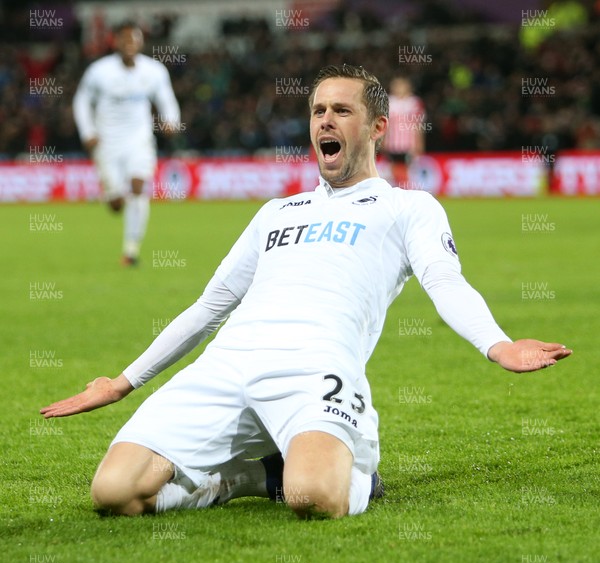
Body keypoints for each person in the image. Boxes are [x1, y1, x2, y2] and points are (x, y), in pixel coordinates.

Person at [42, 64, 572, 519]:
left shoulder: (408, 208)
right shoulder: (277, 211)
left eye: (342, 110)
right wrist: (123, 382)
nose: (325, 120)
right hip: (228, 365)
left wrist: (497, 344)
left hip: (316, 369)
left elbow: (445, 283)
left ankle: (337, 474)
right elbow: (211, 306)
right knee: (114, 493)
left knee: (313, 499)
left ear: (378, 126)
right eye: (319, 110)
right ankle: (245, 477)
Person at [73, 21, 180, 266]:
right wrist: (87, 132)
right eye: (125, 39)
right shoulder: (99, 71)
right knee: (116, 204)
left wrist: (172, 121)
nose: (130, 44)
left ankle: (131, 251)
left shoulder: (154, 71)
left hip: (139, 141)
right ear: (115, 42)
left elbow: (167, 99)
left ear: (141, 42)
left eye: (134, 39)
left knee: (138, 187)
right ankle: (111, 196)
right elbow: (81, 102)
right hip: (107, 142)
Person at [383, 75, 426, 188]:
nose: (398, 88)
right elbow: (384, 124)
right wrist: (383, 141)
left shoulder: (414, 103)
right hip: (392, 144)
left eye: (401, 85)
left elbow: (418, 125)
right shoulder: (388, 101)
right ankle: (394, 192)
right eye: (396, 85)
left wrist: (419, 143)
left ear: (408, 87)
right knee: (392, 171)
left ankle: (408, 191)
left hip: (408, 144)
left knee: (409, 170)